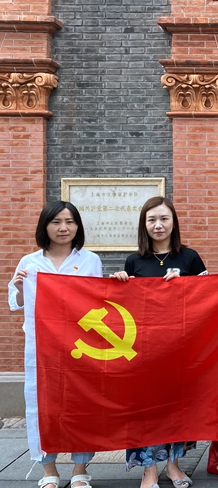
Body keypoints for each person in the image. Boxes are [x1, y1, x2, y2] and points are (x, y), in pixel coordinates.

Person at [110, 197, 207, 488]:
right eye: (151, 219)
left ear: (173, 222)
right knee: (145, 409)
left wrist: (185, 285)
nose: (158, 225)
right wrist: (120, 284)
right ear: (144, 225)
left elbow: (208, 299)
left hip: (181, 347)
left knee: (178, 407)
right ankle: (148, 469)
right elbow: (125, 308)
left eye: (164, 218)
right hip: (143, 349)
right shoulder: (134, 261)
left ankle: (174, 466)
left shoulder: (190, 258)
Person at [8, 201, 103, 488]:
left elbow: (99, 300)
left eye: (70, 222)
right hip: (42, 348)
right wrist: (20, 288)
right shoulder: (29, 262)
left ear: (78, 226)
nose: (64, 228)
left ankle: (79, 470)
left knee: (82, 404)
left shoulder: (90, 260)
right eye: (56, 222)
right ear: (45, 226)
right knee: (41, 405)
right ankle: (48, 471)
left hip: (80, 346)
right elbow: (16, 304)